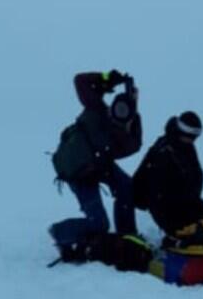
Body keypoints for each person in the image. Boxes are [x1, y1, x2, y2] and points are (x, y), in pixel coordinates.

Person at [50, 70, 142, 260]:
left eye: (125, 114)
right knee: (99, 224)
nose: (119, 116)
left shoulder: (124, 136)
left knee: (127, 188)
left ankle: (127, 237)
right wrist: (107, 78)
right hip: (79, 171)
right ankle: (60, 231)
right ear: (112, 107)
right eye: (118, 110)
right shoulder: (96, 108)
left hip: (100, 164)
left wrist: (134, 116)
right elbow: (80, 80)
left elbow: (134, 145)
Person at [133, 111, 203, 255]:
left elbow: (193, 180)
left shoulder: (185, 147)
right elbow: (158, 196)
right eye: (192, 136)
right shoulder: (163, 152)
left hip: (188, 204)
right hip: (168, 211)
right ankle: (175, 241)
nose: (193, 140)